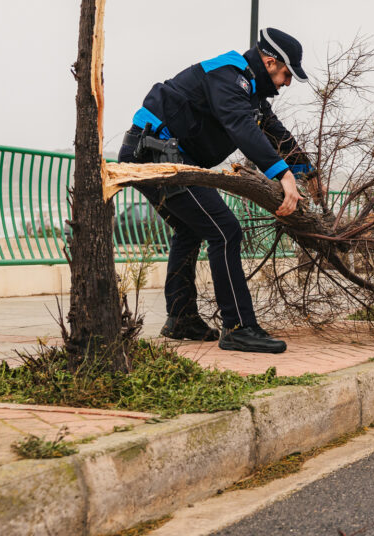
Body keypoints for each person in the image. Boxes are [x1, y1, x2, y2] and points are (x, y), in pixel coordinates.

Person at [118, 27, 315, 353]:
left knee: (191, 229)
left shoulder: (250, 91)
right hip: (155, 151)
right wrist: (283, 175)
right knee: (225, 230)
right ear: (270, 62)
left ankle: (181, 318)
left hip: (166, 154)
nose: (287, 82)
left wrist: (306, 171)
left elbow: (273, 131)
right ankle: (238, 327)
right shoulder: (228, 75)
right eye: (286, 74)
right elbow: (241, 126)